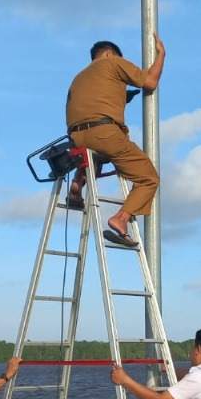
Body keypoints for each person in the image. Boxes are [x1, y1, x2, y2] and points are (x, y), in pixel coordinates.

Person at [65, 36, 166, 248]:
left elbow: (95, 103)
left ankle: (77, 184)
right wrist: (161, 55)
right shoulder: (113, 62)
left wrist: (122, 95)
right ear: (109, 54)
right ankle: (120, 219)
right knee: (148, 178)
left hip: (76, 139)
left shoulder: (78, 78)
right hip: (104, 133)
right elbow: (150, 82)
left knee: (96, 155)